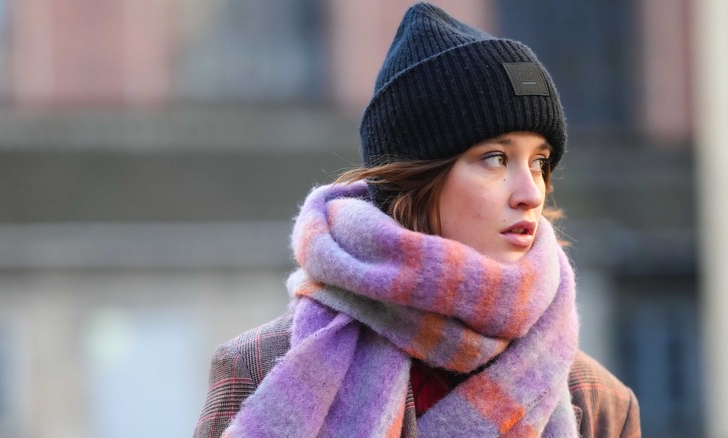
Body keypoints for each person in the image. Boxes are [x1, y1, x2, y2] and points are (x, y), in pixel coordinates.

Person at [194, 3, 641, 437]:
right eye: (495, 158)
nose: (531, 193)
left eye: (540, 163)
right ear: (418, 177)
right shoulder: (260, 369)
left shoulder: (598, 404)